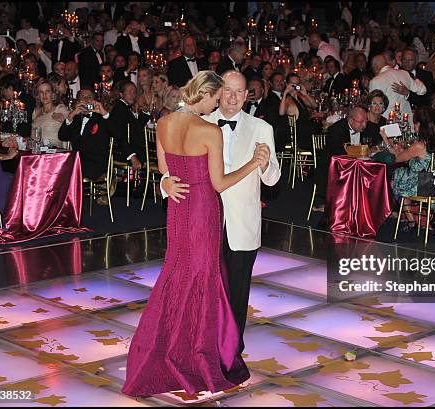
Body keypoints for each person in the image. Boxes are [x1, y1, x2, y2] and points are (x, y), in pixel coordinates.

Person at [121, 71, 267, 397]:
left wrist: (167, 183)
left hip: (178, 209)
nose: (216, 104)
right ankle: (195, 356)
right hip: (202, 210)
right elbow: (219, 183)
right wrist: (253, 164)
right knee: (202, 280)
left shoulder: (163, 123)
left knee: (177, 275)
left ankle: (166, 348)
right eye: (216, 99)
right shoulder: (208, 130)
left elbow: (163, 169)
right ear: (206, 95)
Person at [155, 69, 281, 359]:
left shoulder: (262, 129)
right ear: (215, 92)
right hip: (202, 220)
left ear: (248, 95)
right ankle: (200, 345)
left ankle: (230, 351)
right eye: (227, 90)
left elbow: (273, 179)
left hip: (241, 222)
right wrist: (165, 183)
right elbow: (171, 168)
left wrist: (262, 164)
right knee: (201, 287)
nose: (233, 98)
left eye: (240, 92)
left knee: (236, 292)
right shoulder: (199, 120)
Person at [381, 106, 435, 231]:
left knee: (395, 175)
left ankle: (409, 219)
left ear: (420, 125)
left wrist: (386, 139)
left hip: (424, 186)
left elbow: (398, 159)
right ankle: (410, 219)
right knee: (403, 176)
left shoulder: (419, 145)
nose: (414, 126)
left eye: (415, 123)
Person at [58, 88, 111, 186]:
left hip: (95, 163)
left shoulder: (101, 118)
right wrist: (71, 115)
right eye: (83, 97)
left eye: (89, 97)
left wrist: (103, 112)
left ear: (95, 101)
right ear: (78, 101)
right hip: (77, 162)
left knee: (65, 172)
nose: (86, 100)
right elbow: (62, 136)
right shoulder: (76, 119)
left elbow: (115, 131)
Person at [31, 81, 70, 148]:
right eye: (41, 92)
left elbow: (71, 129)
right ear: (38, 96)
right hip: (38, 151)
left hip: (55, 151)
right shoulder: (35, 112)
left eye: (47, 91)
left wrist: (64, 121)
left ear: (52, 94)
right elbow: (32, 137)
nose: (44, 95)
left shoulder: (60, 109)